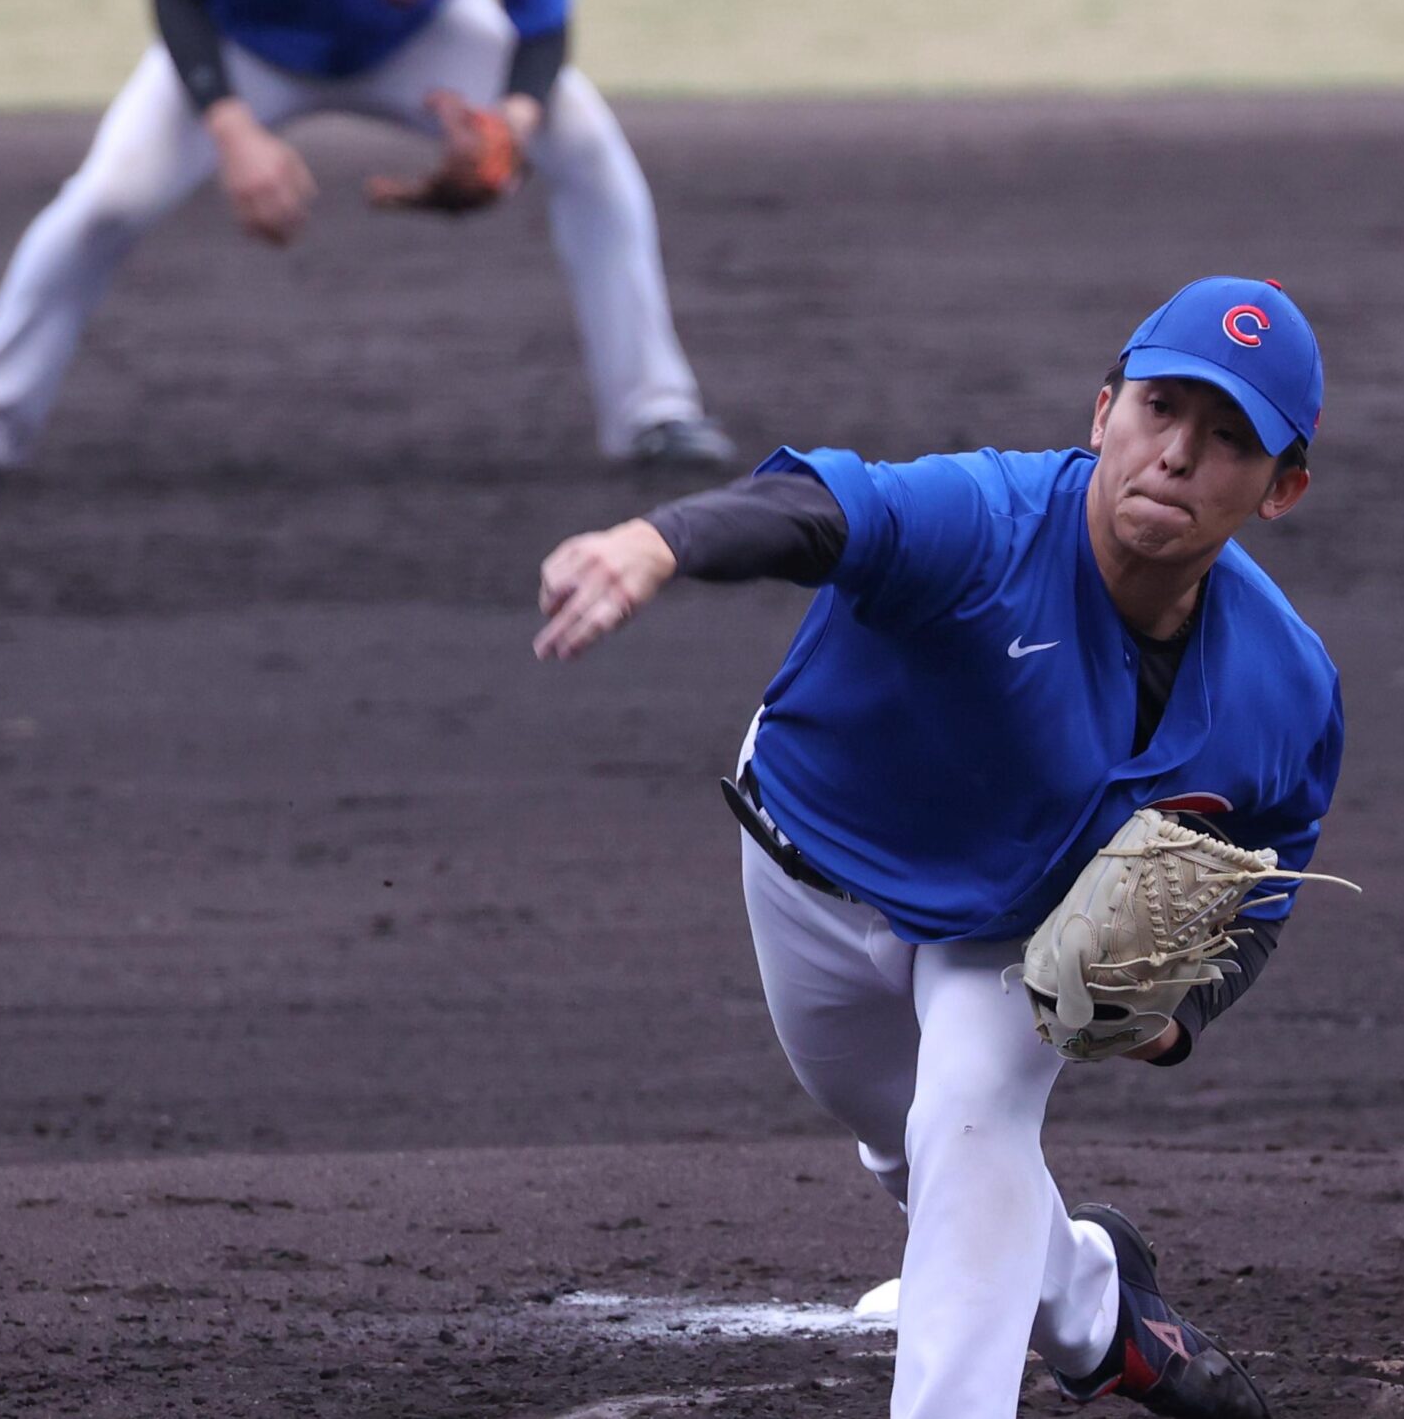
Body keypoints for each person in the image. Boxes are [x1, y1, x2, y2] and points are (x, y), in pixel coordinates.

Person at [534, 276, 1346, 1419]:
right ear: (1102, 411)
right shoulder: (990, 520)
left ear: (1280, 487)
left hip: (1005, 930)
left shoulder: (1285, 684)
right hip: (809, 867)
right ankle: (1094, 1303)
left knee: (969, 1121)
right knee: (910, 1145)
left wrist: (1177, 1019)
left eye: (1228, 439)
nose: (1175, 455)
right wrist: (657, 541)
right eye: (1160, 408)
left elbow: (1266, 868)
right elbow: (823, 510)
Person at [0, 0, 731, 486]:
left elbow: (540, 20)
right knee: (107, 200)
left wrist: (508, 130)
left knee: (586, 147)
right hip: (245, 44)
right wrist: (232, 130)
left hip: (419, 40)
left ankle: (655, 410)